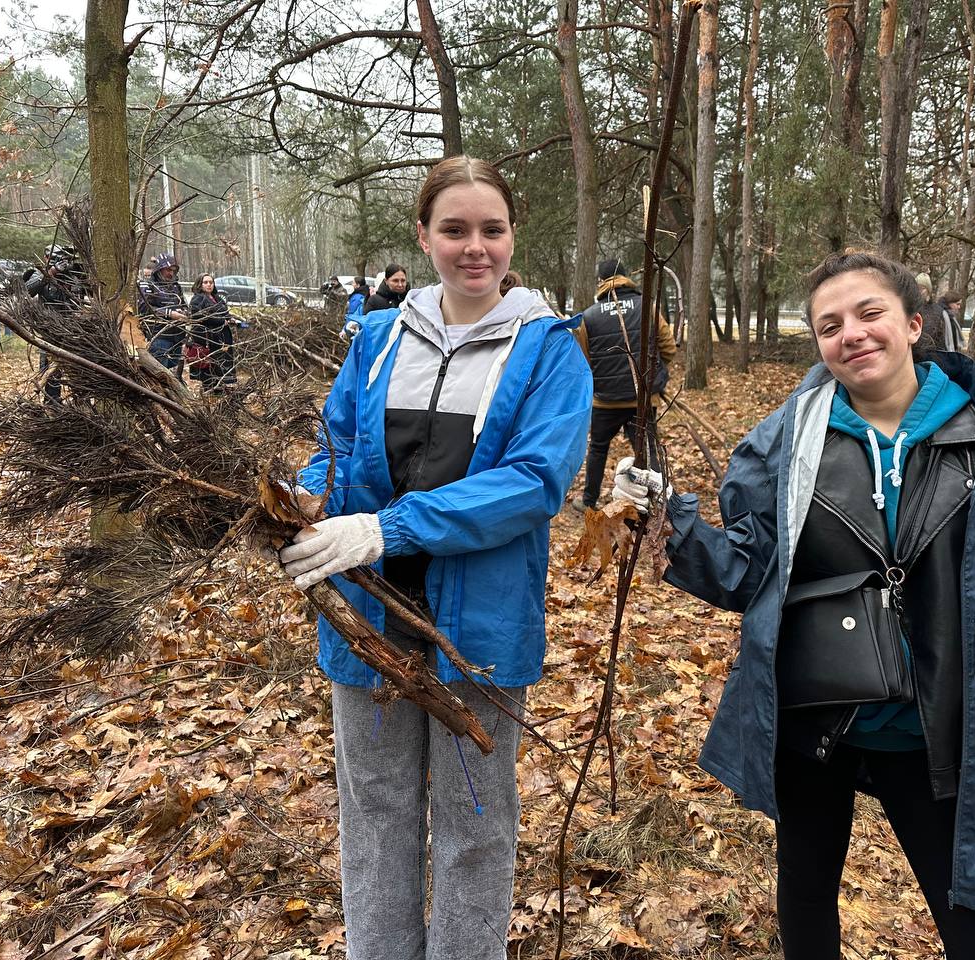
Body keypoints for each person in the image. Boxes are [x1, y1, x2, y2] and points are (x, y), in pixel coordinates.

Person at [611, 251, 975, 960]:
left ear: (913, 323)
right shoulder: (785, 442)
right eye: (830, 325)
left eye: (869, 314)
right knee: (805, 889)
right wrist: (666, 529)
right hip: (814, 718)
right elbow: (747, 571)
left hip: (939, 725)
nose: (852, 334)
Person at [278, 155, 593, 960]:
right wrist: (310, 506)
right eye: (454, 229)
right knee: (375, 815)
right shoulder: (380, 339)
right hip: (366, 620)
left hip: (480, 631)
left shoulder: (550, 351)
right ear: (423, 237)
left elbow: (533, 483)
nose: (474, 247)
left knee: (474, 826)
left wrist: (388, 528)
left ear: (512, 236)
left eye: (491, 229)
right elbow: (337, 447)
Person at [571, 258, 677, 509]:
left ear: (602, 282)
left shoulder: (589, 316)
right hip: (641, 399)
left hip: (605, 401)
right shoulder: (647, 306)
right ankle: (661, 503)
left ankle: (589, 501)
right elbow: (669, 347)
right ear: (626, 277)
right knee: (648, 450)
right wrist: (655, 373)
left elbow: (585, 360)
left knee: (598, 448)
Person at [23, 245, 85, 402]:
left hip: (74, 327)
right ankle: (52, 401)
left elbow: (86, 293)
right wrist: (52, 272)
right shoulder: (41, 273)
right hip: (49, 328)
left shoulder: (75, 274)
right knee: (50, 367)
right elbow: (28, 290)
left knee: (79, 366)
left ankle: (81, 400)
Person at [137, 252, 189, 378]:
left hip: (177, 336)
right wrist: (169, 314)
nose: (171, 273)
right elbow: (144, 309)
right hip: (159, 336)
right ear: (160, 269)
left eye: (174, 270)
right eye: (168, 270)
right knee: (160, 374)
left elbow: (184, 305)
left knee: (173, 371)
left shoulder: (176, 287)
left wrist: (185, 313)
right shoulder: (147, 285)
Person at [188, 274, 237, 392]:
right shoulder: (197, 299)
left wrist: (230, 319)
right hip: (207, 338)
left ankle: (220, 387)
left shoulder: (217, 298)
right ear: (200, 284)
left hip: (221, 336)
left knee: (222, 364)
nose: (209, 285)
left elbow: (224, 312)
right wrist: (221, 321)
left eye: (211, 282)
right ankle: (211, 390)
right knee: (209, 366)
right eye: (206, 282)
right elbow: (199, 317)